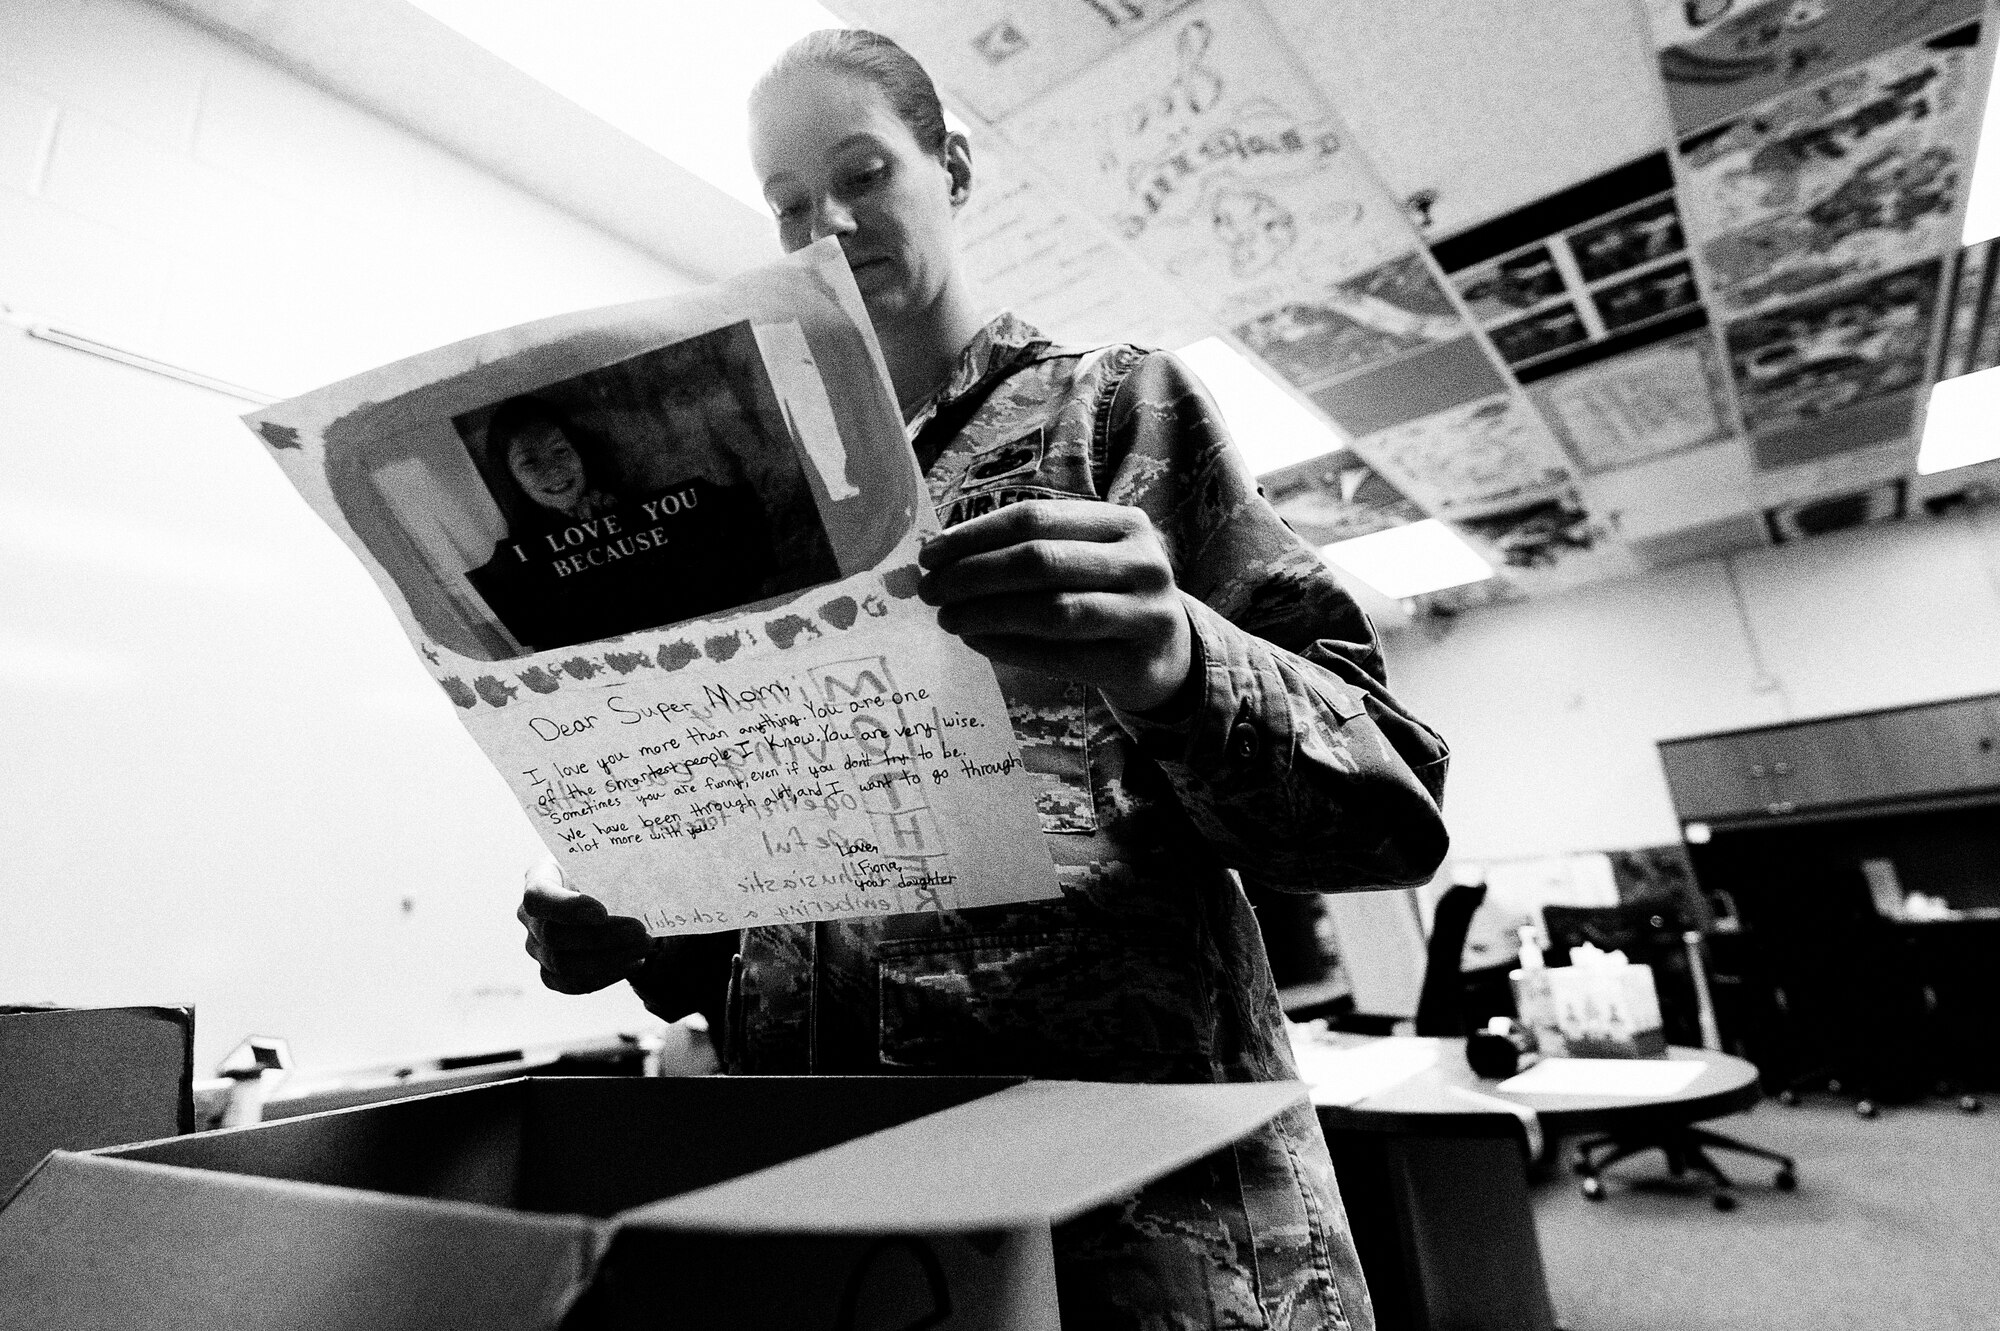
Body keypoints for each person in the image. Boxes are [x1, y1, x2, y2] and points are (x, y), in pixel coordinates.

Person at [519, 29, 1449, 1330]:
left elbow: (1389, 810)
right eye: (788, 204)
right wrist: (655, 929)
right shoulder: (764, 524)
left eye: (862, 172)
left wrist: (1180, 663)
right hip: (856, 1237)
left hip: (1141, 1242)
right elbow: (794, 924)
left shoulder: (1111, 415)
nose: (828, 224)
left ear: (949, 167)